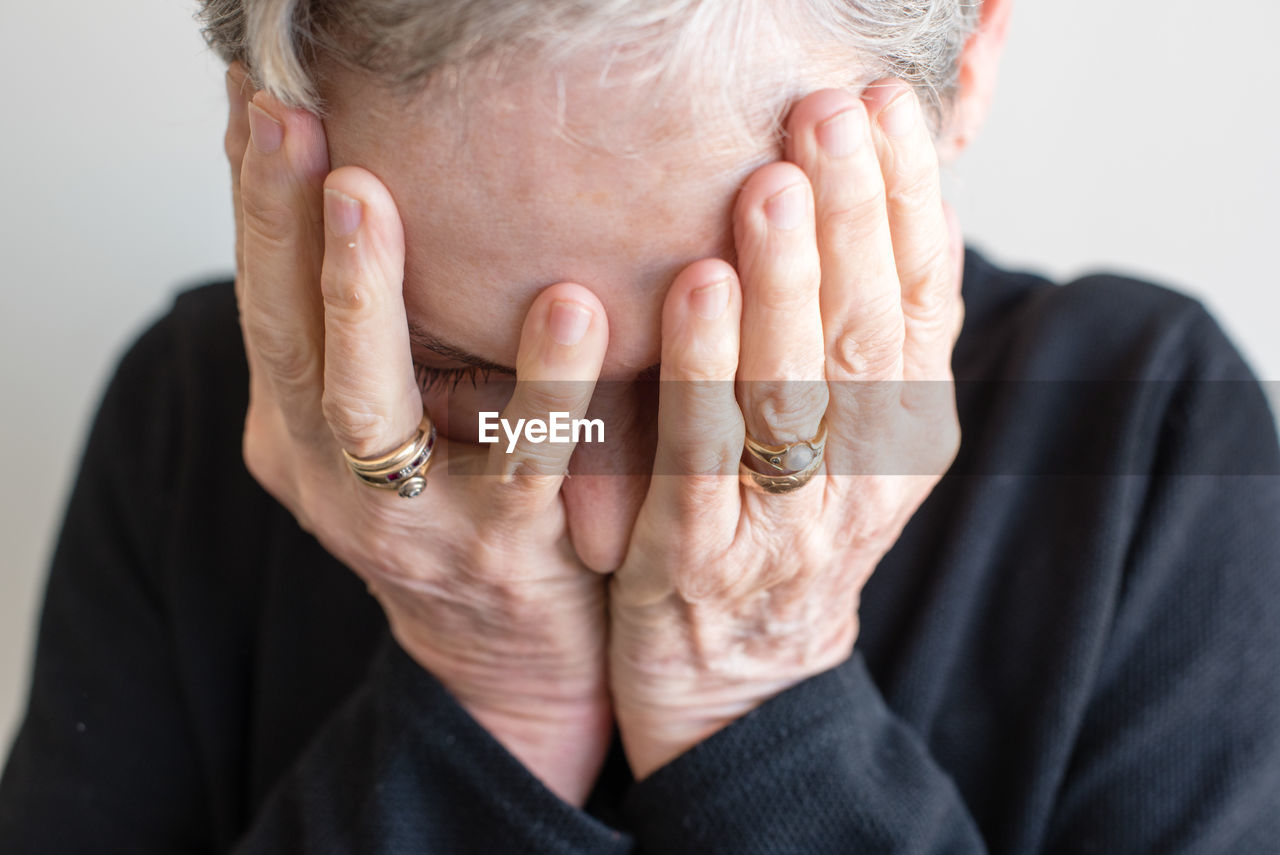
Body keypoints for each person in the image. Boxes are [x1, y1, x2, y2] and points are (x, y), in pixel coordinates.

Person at [2, 0, 1279, 851]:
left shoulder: (1145, 431)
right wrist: (488, 692)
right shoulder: (190, 411)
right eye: (466, 384)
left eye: (709, 390)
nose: (608, 519)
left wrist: (752, 685)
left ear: (970, 64)